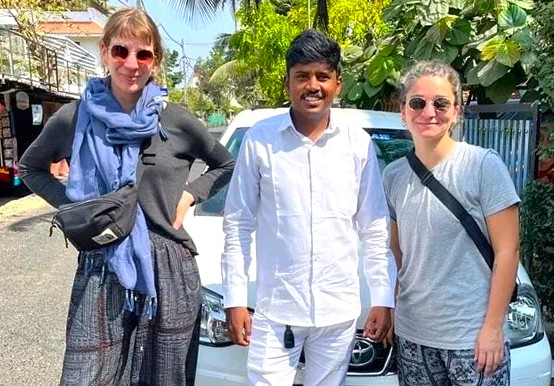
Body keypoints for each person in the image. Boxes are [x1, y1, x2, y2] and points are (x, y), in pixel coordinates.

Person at [19, 8, 234, 386]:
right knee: (88, 374)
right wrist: (74, 207)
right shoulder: (75, 117)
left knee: (164, 375)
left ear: (156, 60)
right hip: (103, 261)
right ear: (104, 53)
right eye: (121, 51)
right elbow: (30, 168)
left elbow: (225, 165)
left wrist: (190, 194)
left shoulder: (176, 121)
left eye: (143, 54)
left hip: (169, 262)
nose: (131, 63)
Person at [221, 29, 395, 386]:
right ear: (287, 83)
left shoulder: (357, 145)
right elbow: (238, 222)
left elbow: (374, 227)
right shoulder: (260, 140)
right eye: (302, 76)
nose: (312, 86)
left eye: (322, 76)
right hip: (276, 308)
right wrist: (235, 298)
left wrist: (382, 297)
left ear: (337, 84)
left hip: (338, 311)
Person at [383, 60, 519, 385]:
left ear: (456, 111)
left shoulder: (483, 165)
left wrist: (492, 327)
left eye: (440, 103)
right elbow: (396, 253)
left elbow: (508, 251)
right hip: (414, 336)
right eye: (418, 102)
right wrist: (390, 307)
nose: (429, 111)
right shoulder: (393, 176)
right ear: (403, 111)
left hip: (471, 338)